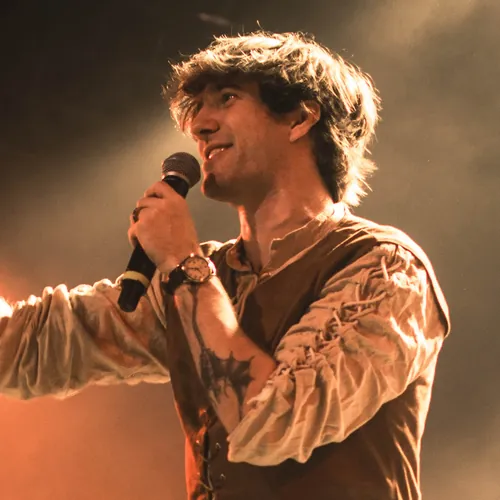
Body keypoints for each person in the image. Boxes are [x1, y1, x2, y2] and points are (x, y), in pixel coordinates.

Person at [0, 31, 450, 500]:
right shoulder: (204, 276)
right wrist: (188, 269)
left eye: (227, 98)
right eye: (196, 109)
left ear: (300, 117)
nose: (199, 126)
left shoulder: (384, 267)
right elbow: (24, 347)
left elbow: (276, 422)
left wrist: (183, 262)